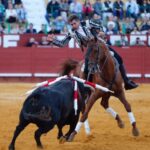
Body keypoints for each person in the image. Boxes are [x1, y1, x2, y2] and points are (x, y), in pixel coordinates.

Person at [47, 14, 138, 90]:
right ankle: (87, 86)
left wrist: (101, 32)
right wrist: (53, 41)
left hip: (100, 45)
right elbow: (63, 43)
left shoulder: (87, 23)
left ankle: (126, 81)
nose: (73, 26)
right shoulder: (71, 32)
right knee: (87, 64)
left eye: (74, 23)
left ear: (78, 21)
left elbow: (99, 26)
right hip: (90, 49)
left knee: (119, 58)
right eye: (71, 24)